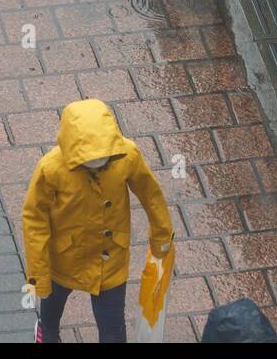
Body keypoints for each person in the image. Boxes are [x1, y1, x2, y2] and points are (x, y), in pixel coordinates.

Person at [22, 98, 174, 343]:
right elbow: (34, 218)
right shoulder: (51, 169)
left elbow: (151, 195)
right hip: (65, 255)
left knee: (113, 329)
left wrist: (162, 237)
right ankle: (47, 329)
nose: (97, 163)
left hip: (110, 257)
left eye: (103, 159)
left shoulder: (127, 156)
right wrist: (38, 273)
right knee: (52, 307)